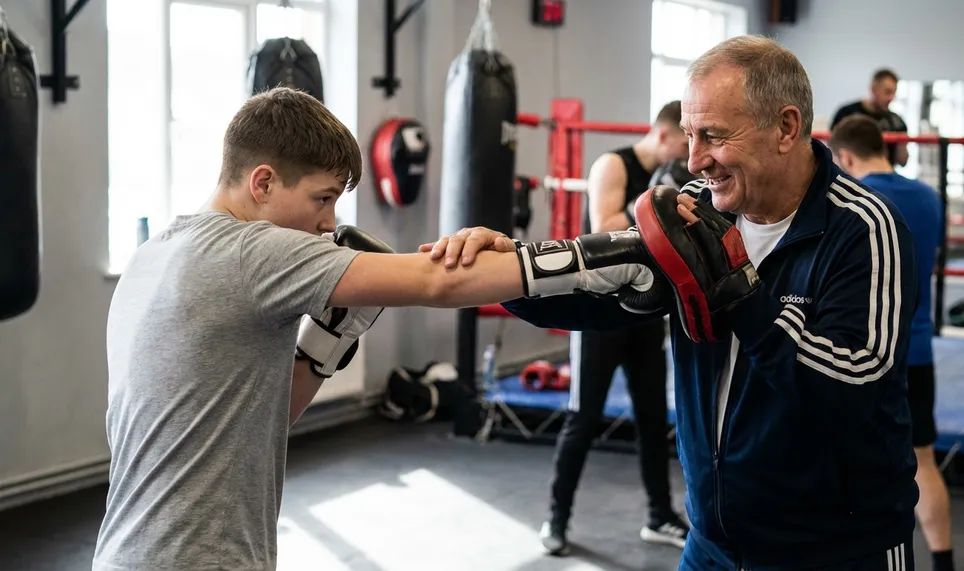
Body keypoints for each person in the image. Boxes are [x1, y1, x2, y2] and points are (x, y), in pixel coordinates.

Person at [94, 86, 705, 571]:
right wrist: (613, 254)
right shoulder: (252, 252)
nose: (328, 224)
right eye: (321, 198)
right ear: (262, 183)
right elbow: (441, 283)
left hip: (131, 551)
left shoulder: (157, 253)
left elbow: (261, 422)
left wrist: (324, 346)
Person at [425, 35, 921, 571]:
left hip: (835, 552)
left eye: (713, 136)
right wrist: (510, 271)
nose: (694, 159)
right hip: (712, 543)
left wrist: (741, 296)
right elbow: (602, 298)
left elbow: (852, 391)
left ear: (786, 127)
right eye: (688, 135)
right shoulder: (700, 214)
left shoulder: (865, 229)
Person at [539, 101, 691, 556]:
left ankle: (659, 516)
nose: (687, 155)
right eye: (684, 143)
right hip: (599, 314)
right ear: (664, 136)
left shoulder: (676, 174)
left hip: (645, 313)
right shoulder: (613, 165)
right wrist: (650, 200)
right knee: (583, 418)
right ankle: (556, 518)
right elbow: (603, 227)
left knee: (651, 419)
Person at [830, 114, 955, 571]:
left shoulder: (855, 202)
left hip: (865, 354)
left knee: (849, 464)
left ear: (844, 157)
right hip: (918, 350)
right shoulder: (927, 198)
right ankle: (944, 563)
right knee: (924, 462)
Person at [831, 68, 909, 167]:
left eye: (894, 93)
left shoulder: (896, 122)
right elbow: (833, 149)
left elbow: (903, 162)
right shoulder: (847, 113)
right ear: (873, 89)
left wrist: (902, 144)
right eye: (887, 92)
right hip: (852, 177)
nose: (891, 98)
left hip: (884, 178)